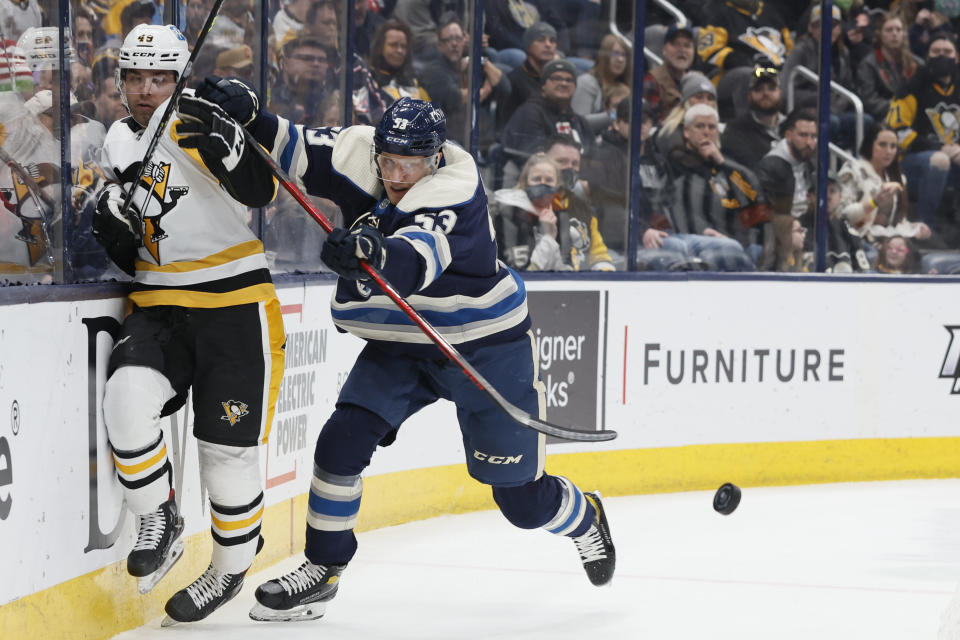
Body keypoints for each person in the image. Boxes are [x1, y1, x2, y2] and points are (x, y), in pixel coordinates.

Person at [190, 86, 616, 620]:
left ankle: (585, 517)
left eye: (407, 166)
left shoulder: (455, 192)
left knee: (521, 503)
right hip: (406, 341)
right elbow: (297, 147)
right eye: (386, 162)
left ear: (434, 159)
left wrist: (370, 250)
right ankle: (323, 570)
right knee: (340, 442)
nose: (393, 177)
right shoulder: (366, 152)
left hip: (484, 347)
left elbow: (416, 258)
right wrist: (252, 113)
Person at [92, 24, 284, 624]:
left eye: (160, 78)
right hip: (159, 304)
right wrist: (109, 219)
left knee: (226, 458)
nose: (147, 89)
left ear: (177, 79)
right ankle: (158, 515)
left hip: (234, 305)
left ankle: (229, 567)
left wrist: (237, 146)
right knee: (124, 399)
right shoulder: (116, 143)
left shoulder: (197, 121)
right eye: (136, 78)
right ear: (121, 82)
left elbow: (263, 190)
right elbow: (130, 255)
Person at [637, 103, 762, 272]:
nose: (706, 132)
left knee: (755, 250)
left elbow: (752, 198)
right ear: (687, 132)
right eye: (700, 126)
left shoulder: (727, 165)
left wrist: (722, 163)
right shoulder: (671, 164)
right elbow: (672, 210)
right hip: (684, 238)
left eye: (711, 127)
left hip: (728, 240)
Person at [886, 31, 960, 231]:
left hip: (955, 161)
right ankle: (927, 226)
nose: (942, 56)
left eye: (947, 51)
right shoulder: (911, 87)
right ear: (927, 56)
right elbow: (896, 132)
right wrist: (939, 147)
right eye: (936, 51)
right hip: (912, 163)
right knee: (939, 159)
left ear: (957, 56)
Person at [493, 151, 610, 271]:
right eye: (537, 179)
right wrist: (548, 238)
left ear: (558, 186)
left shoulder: (562, 217)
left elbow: (564, 271)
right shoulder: (509, 214)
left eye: (549, 180)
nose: (543, 184)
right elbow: (520, 274)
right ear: (525, 183)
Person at [781, 4, 869, 151]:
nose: (828, 29)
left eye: (833, 25)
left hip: (835, 109)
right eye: (820, 25)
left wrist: (837, 101)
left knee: (865, 121)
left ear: (840, 29)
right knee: (831, 123)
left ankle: (848, 166)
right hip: (806, 111)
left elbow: (847, 86)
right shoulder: (801, 50)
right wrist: (820, 97)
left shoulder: (843, 53)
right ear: (811, 28)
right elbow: (785, 90)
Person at [837, 122, 932, 244]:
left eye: (893, 146)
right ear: (869, 145)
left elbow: (895, 223)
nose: (889, 151)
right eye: (882, 145)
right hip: (859, 240)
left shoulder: (899, 178)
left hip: (889, 240)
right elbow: (841, 215)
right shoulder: (852, 170)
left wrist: (914, 227)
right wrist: (873, 202)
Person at [502, 58, 593, 161]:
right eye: (556, 78)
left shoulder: (581, 123)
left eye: (569, 80)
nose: (564, 83)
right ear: (543, 85)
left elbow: (594, 160)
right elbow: (533, 158)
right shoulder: (528, 114)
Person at [856, 11, 921, 123]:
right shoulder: (869, 63)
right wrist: (898, 107)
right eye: (889, 30)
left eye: (898, 30)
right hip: (883, 117)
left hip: (913, 116)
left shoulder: (916, 63)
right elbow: (869, 100)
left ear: (904, 34)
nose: (894, 34)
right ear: (880, 34)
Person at [720, 64, 785, 169]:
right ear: (749, 96)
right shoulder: (735, 131)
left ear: (780, 93)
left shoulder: (792, 125)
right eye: (759, 89)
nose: (766, 93)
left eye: (771, 88)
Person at [571, 33, 631, 134]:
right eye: (615, 54)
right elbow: (578, 123)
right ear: (604, 56)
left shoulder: (624, 87)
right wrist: (613, 116)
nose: (620, 59)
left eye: (623, 55)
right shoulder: (587, 82)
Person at [643, 22, 695, 125]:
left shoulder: (699, 79)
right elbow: (649, 124)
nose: (682, 50)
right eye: (676, 44)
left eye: (687, 45)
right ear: (664, 49)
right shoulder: (652, 80)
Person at [368, 18, 431, 104]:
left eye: (403, 46)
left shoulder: (415, 84)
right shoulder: (368, 80)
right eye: (393, 45)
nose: (399, 50)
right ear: (380, 48)